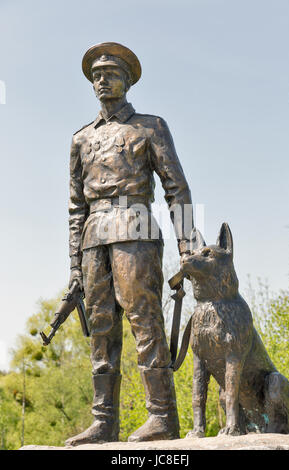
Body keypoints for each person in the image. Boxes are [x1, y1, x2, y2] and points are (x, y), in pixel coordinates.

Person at [65, 42, 193, 446]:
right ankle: (104, 422)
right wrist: (73, 266)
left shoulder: (150, 126)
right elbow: (74, 207)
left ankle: (161, 417)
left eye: (111, 73)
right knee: (101, 328)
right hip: (92, 239)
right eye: (96, 76)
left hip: (135, 224)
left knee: (144, 320)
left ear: (127, 80)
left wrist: (188, 248)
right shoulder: (80, 139)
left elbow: (177, 190)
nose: (102, 80)